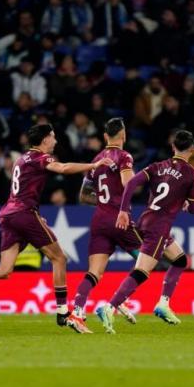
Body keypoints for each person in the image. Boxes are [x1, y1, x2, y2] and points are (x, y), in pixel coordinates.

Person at [0, 124, 113, 334]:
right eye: (53, 137)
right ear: (44, 140)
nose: (56, 141)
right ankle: (63, 313)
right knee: (59, 259)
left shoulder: (21, 159)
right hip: (24, 213)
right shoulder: (39, 158)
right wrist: (93, 165)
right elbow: (62, 168)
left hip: (8, 214)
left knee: (4, 269)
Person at [96, 130, 194, 334]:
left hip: (146, 219)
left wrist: (124, 210)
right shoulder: (192, 174)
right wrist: (187, 203)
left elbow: (132, 183)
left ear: (173, 147)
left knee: (180, 260)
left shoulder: (157, 166)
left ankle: (163, 303)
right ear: (192, 149)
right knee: (142, 271)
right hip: (159, 227)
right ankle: (109, 307)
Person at [74, 117, 140, 323]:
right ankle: (119, 301)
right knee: (146, 260)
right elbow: (128, 185)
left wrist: (104, 201)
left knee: (94, 272)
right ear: (124, 135)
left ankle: (77, 310)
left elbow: (83, 196)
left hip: (99, 219)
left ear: (105, 136)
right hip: (120, 219)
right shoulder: (124, 156)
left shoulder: (96, 161)